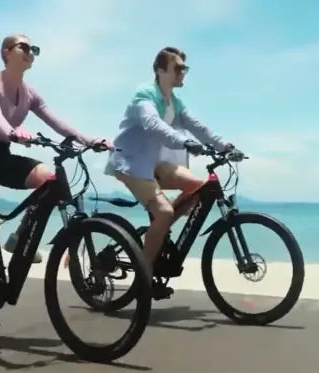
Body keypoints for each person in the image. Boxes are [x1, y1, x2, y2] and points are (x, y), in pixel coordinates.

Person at [0, 33, 110, 330]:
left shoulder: (30, 93)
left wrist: (90, 140)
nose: (31, 52)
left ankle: (19, 237)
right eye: (24, 47)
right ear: (5, 53)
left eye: (34, 49)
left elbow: (56, 121)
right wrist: (13, 132)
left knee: (49, 179)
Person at [104, 46, 242, 299]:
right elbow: (152, 123)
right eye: (178, 67)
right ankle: (143, 277)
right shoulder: (144, 95)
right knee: (165, 212)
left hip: (156, 162)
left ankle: (160, 230)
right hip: (132, 163)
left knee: (200, 189)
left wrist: (224, 146)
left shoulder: (175, 103)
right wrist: (183, 141)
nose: (183, 72)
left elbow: (198, 126)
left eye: (184, 68)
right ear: (160, 70)